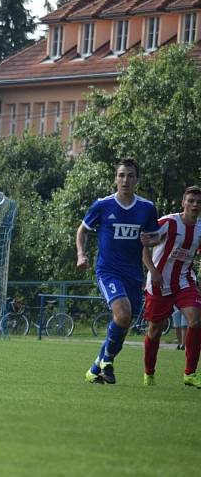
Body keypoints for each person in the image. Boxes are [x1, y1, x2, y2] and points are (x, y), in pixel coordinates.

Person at [77, 158, 160, 384]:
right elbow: (82, 230)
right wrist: (81, 254)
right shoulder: (103, 205)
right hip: (108, 270)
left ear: (137, 180)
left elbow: (156, 236)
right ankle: (107, 363)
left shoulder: (146, 208)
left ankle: (96, 368)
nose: (125, 180)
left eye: (130, 176)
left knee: (122, 325)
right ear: (116, 178)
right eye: (121, 175)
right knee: (122, 315)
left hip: (133, 274)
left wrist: (150, 240)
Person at [141, 185, 201, 388]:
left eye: (198, 202)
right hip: (159, 283)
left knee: (196, 320)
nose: (194, 205)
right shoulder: (169, 223)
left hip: (185, 281)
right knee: (154, 330)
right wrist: (153, 271)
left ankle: (190, 374)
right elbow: (144, 245)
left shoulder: (200, 229)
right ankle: (149, 372)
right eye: (191, 201)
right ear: (183, 202)